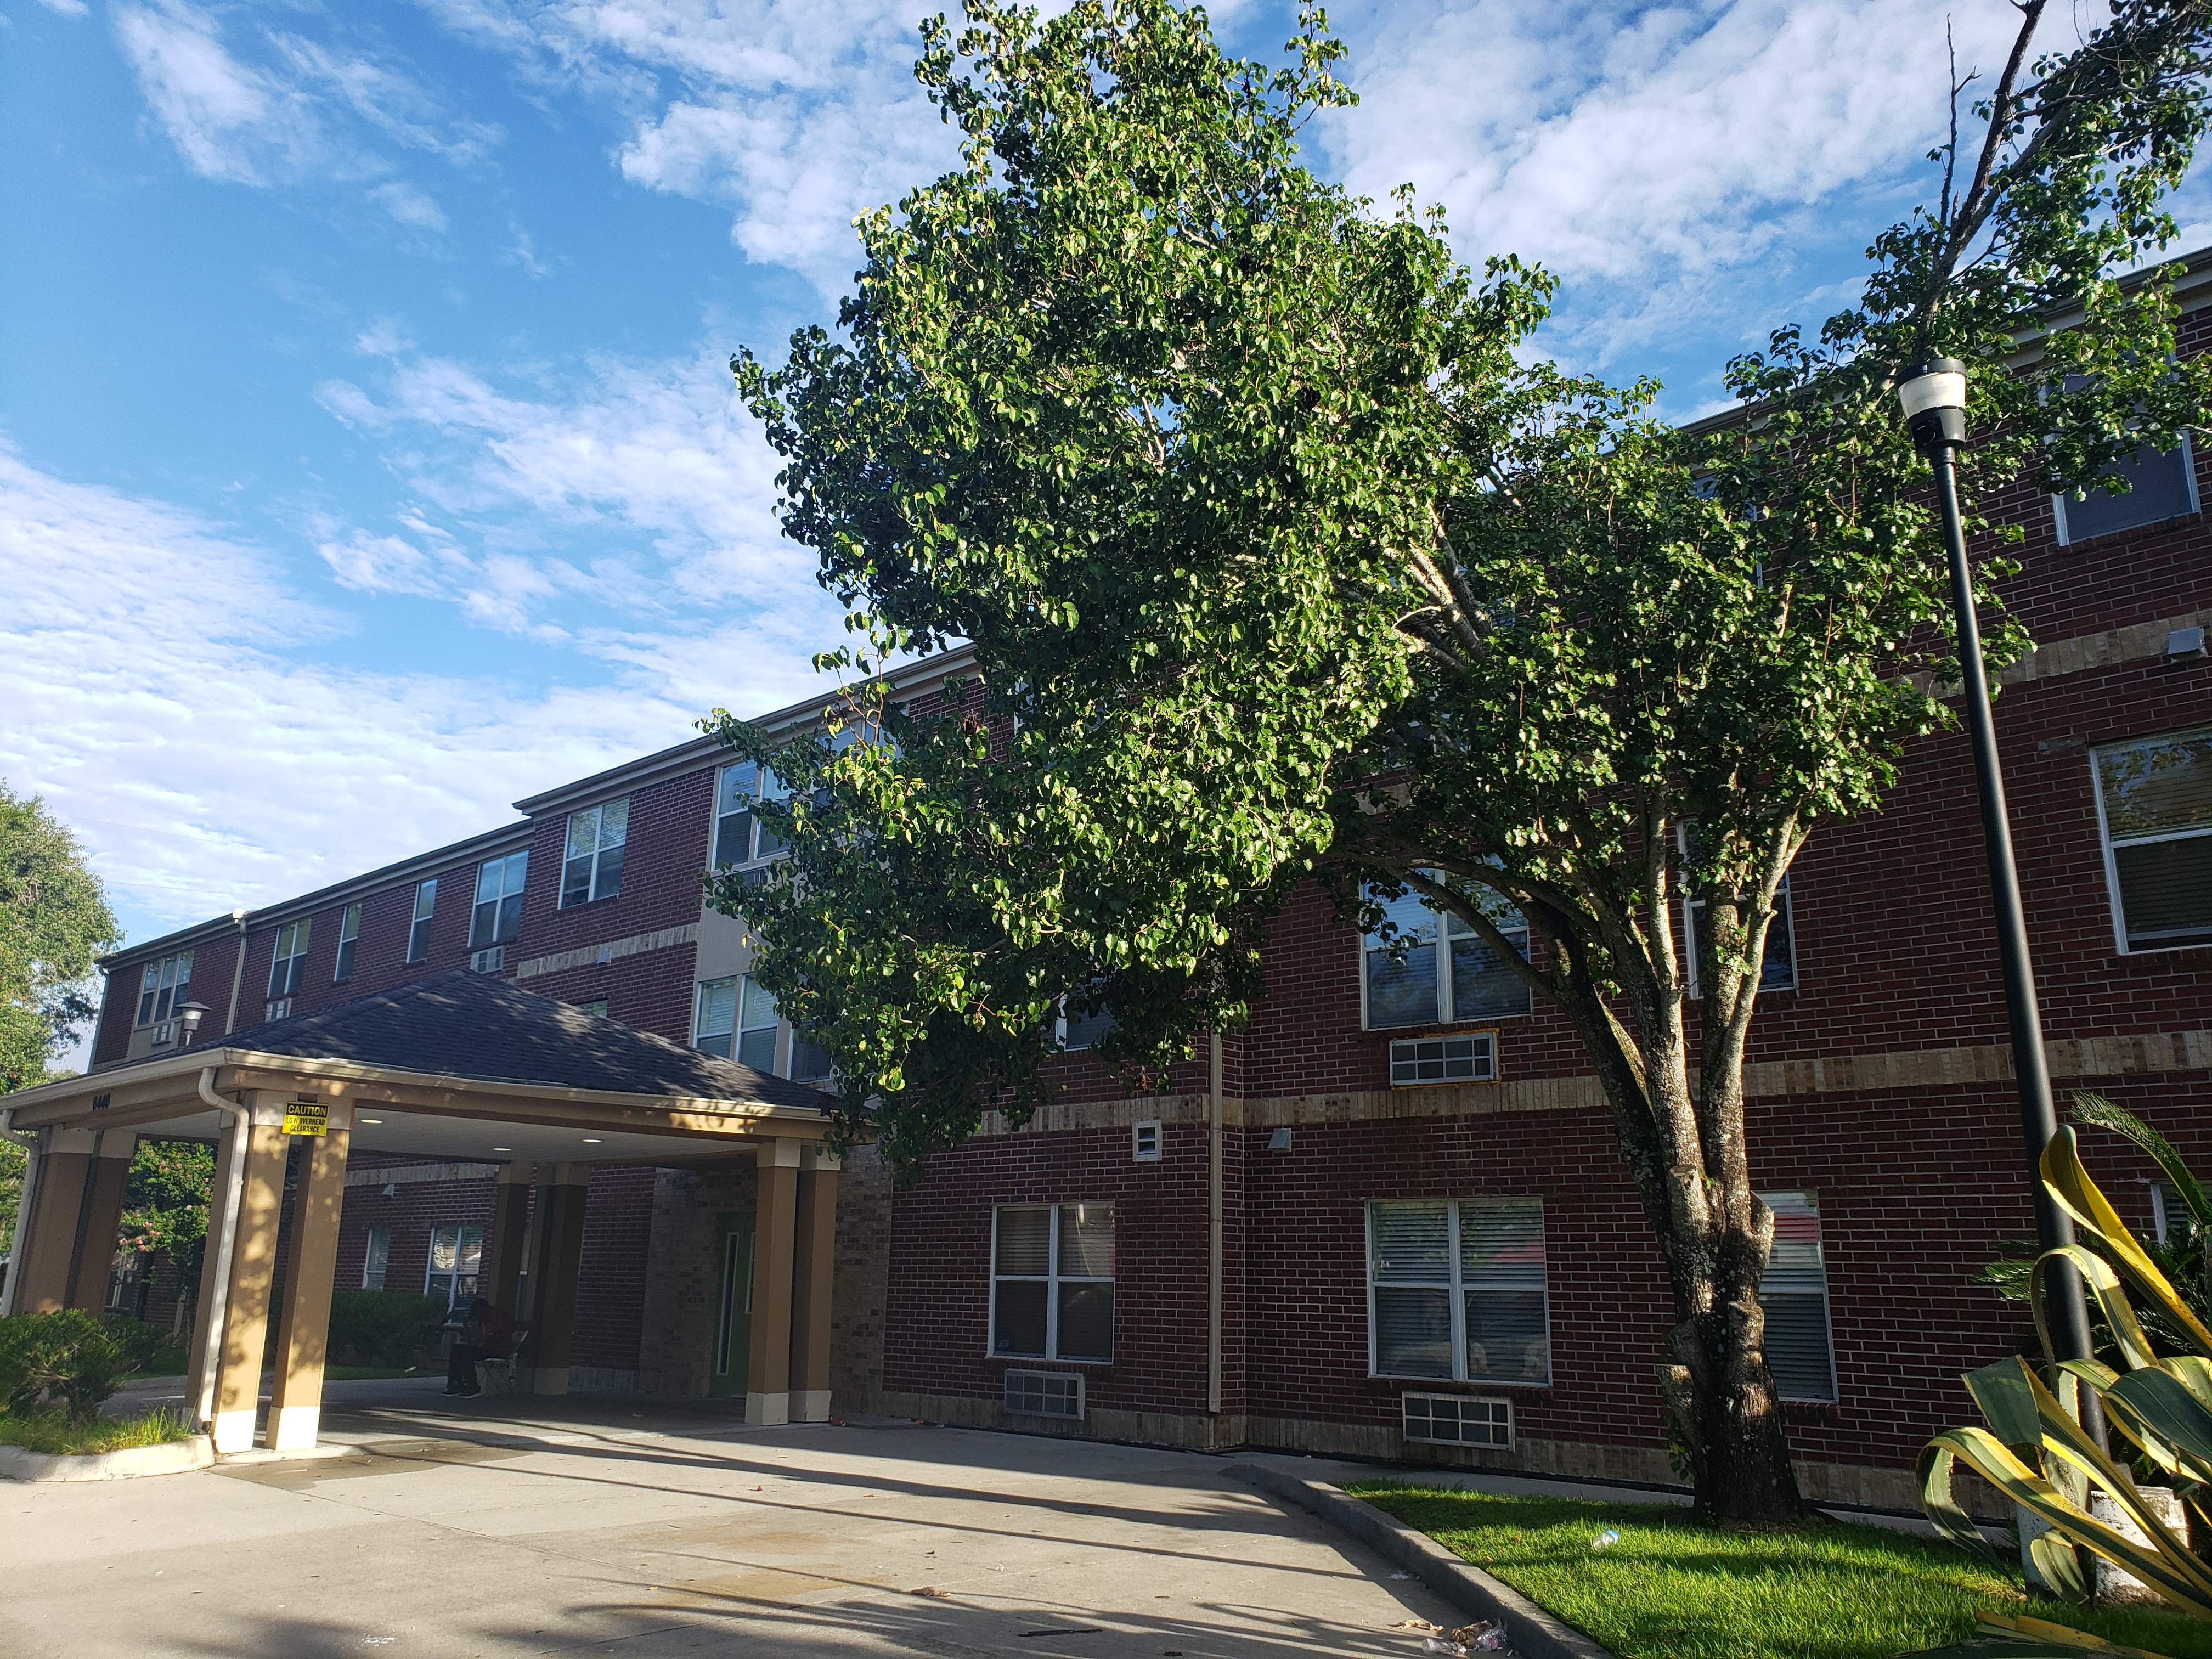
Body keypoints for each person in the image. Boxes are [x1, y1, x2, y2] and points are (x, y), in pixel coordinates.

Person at [443, 1296, 509, 1397]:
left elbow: (499, 1334)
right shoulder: (484, 1320)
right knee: (457, 1348)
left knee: (467, 1352)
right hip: (486, 1348)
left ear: (484, 1309)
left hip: (498, 1350)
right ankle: (455, 1383)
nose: (479, 1318)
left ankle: (472, 1385)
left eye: (479, 1314)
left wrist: (483, 1338)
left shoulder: (497, 1314)